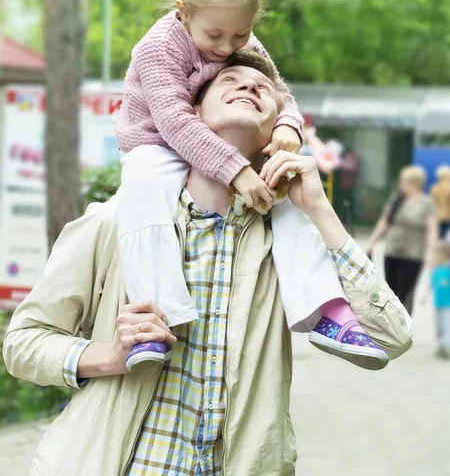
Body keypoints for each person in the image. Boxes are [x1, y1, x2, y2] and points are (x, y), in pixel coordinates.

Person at [3, 53, 412, 476]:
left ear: (278, 133)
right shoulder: (117, 223)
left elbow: (393, 337)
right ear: (191, 114)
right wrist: (109, 356)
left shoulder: (290, 246)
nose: (250, 88)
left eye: (263, 90)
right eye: (230, 80)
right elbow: (24, 342)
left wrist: (319, 210)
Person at [115, 0, 371, 369]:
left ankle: (326, 309)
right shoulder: (158, 48)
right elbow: (176, 121)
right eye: (214, 34)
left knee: (285, 188)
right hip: (158, 142)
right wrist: (237, 172)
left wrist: (289, 125)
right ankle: (157, 317)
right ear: (183, 12)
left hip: (220, 142)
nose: (228, 47)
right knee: (143, 195)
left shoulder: (241, 40)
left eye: (241, 33)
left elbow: (280, 91)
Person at [367, 165, 438, 315]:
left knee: (404, 293)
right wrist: (372, 242)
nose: (401, 184)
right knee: (391, 292)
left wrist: (433, 253)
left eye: (403, 181)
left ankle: (404, 326)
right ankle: (390, 327)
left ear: (414, 183)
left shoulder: (426, 203)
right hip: (392, 251)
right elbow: (384, 222)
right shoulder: (397, 199)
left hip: (412, 255)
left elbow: (432, 230)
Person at [425, 241, 450, 359]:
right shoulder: (436, 270)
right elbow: (431, 284)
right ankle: (441, 344)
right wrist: (425, 296)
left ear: (445, 255)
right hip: (438, 303)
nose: (435, 257)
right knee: (438, 325)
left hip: (447, 304)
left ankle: (445, 345)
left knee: (446, 324)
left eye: (437, 255)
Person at [430, 165, 450, 240]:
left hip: (437, 216)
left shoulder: (434, 188)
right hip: (448, 216)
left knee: (439, 238)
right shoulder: (448, 187)